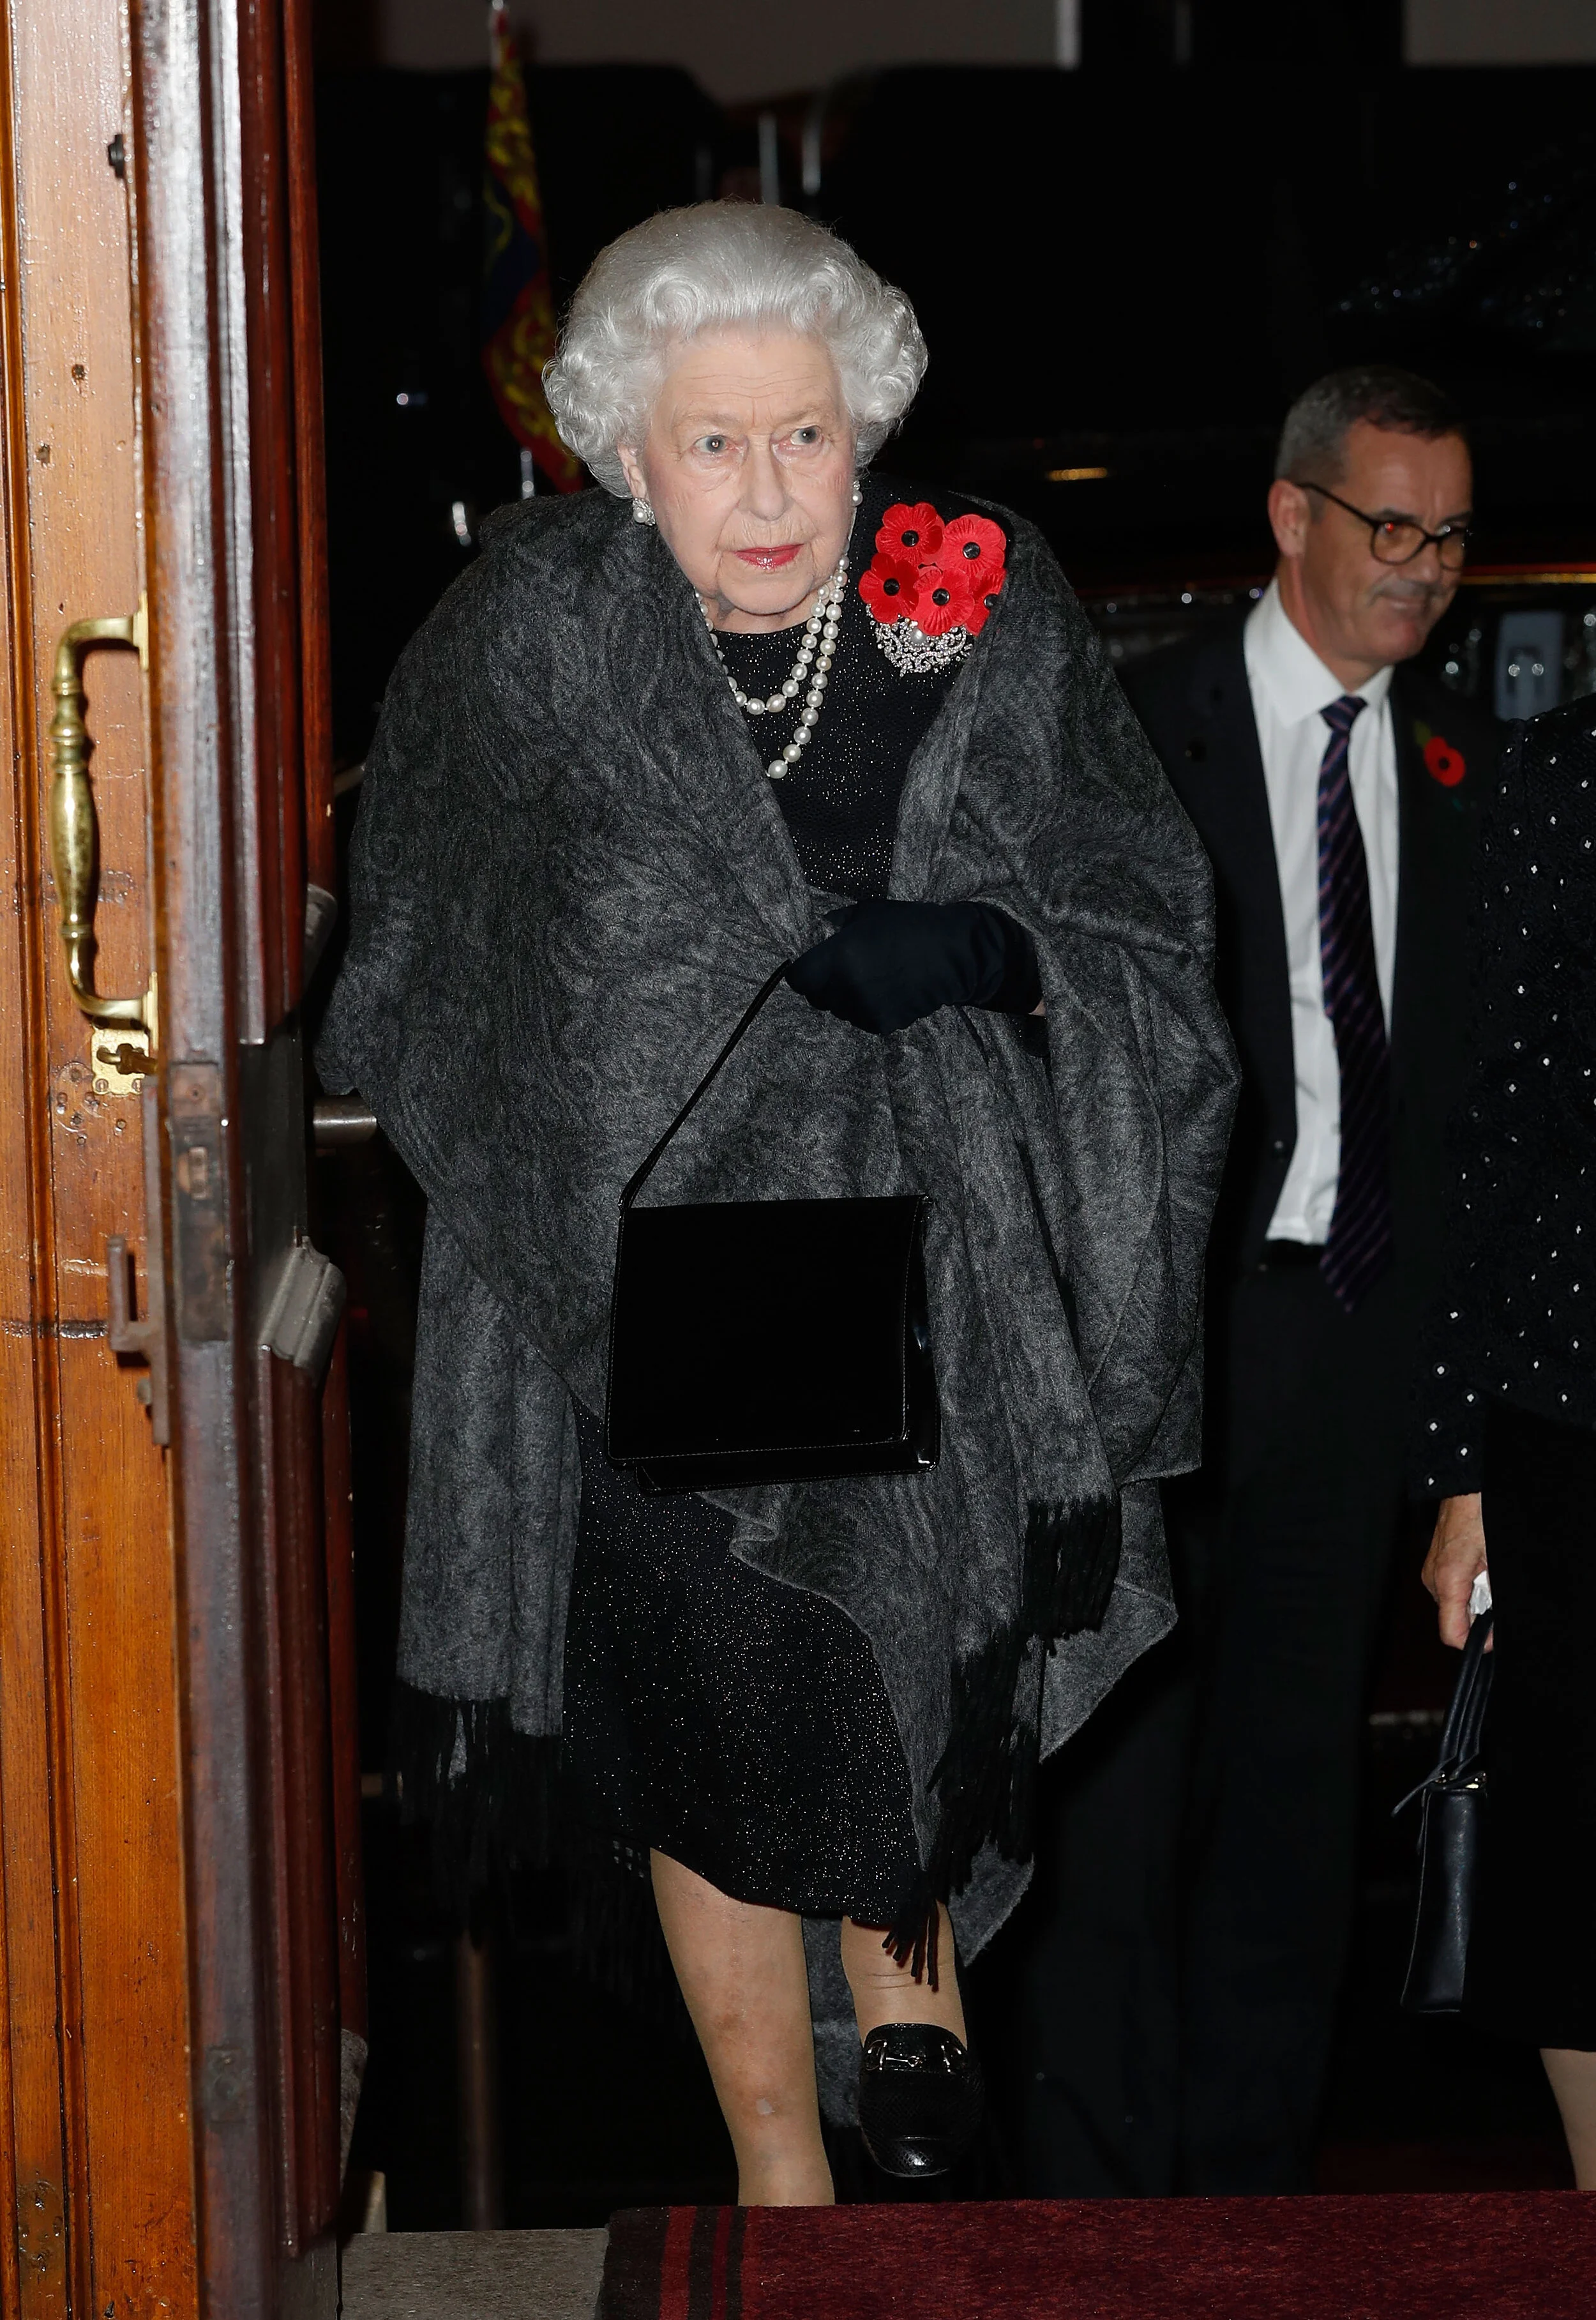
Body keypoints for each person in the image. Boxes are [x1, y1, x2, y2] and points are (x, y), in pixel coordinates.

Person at [317, 202, 1236, 2206]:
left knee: (884, 1658)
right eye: (712, 441)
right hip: (636, 1283)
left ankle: (908, 2030)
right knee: (708, 1709)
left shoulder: (974, 597)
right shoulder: (533, 629)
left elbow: (1142, 916)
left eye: (803, 436)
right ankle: (775, 2180)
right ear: (624, 456)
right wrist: (635, 1042)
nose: (764, 488)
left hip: (931, 1261)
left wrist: (985, 943)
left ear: (865, 432)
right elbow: (425, 955)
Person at [1019, 365, 1502, 2197]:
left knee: (1293, 1809)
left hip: (1350, 1342)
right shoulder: (1134, 739)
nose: (1423, 570)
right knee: (1114, 1798)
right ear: (1289, 516)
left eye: (1448, 535)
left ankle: (1246, 2209)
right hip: (1152, 1337)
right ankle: (1094, 2214)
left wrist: (1455, 1426)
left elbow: (1472, 1113)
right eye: (1389, 527)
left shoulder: (1465, 769)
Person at [1419, 690, 1596, 2190]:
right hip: (1571, 1392)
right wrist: (1459, 1460)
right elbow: (1489, 1122)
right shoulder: (1566, 775)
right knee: (1577, 1845)